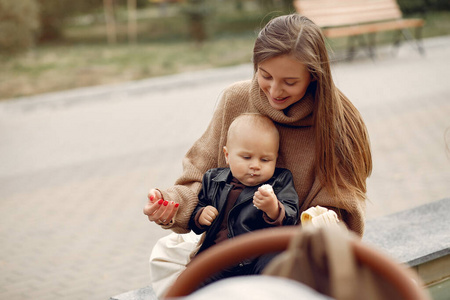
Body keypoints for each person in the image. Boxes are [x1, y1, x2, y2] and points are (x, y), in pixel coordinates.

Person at [144, 12, 371, 257]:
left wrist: (316, 228)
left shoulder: (340, 124)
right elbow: (200, 175)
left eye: (290, 82)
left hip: (296, 261)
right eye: (265, 75)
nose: (274, 90)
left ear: (314, 76)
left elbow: (340, 213)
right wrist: (174, 204)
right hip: (225, 256)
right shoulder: (235, 100)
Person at [188, 113, 299, 283]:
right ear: (227, 155)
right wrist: (200, 215)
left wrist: (274, 209)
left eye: (265, 159)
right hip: (219, 255)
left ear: (276, 159)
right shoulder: (213, 180)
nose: (255, 165)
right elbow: (197, 209)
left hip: (259, 255)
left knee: (279, 272)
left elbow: (291, 217)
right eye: (246, 157)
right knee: (192, 281)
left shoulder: (280, 181)